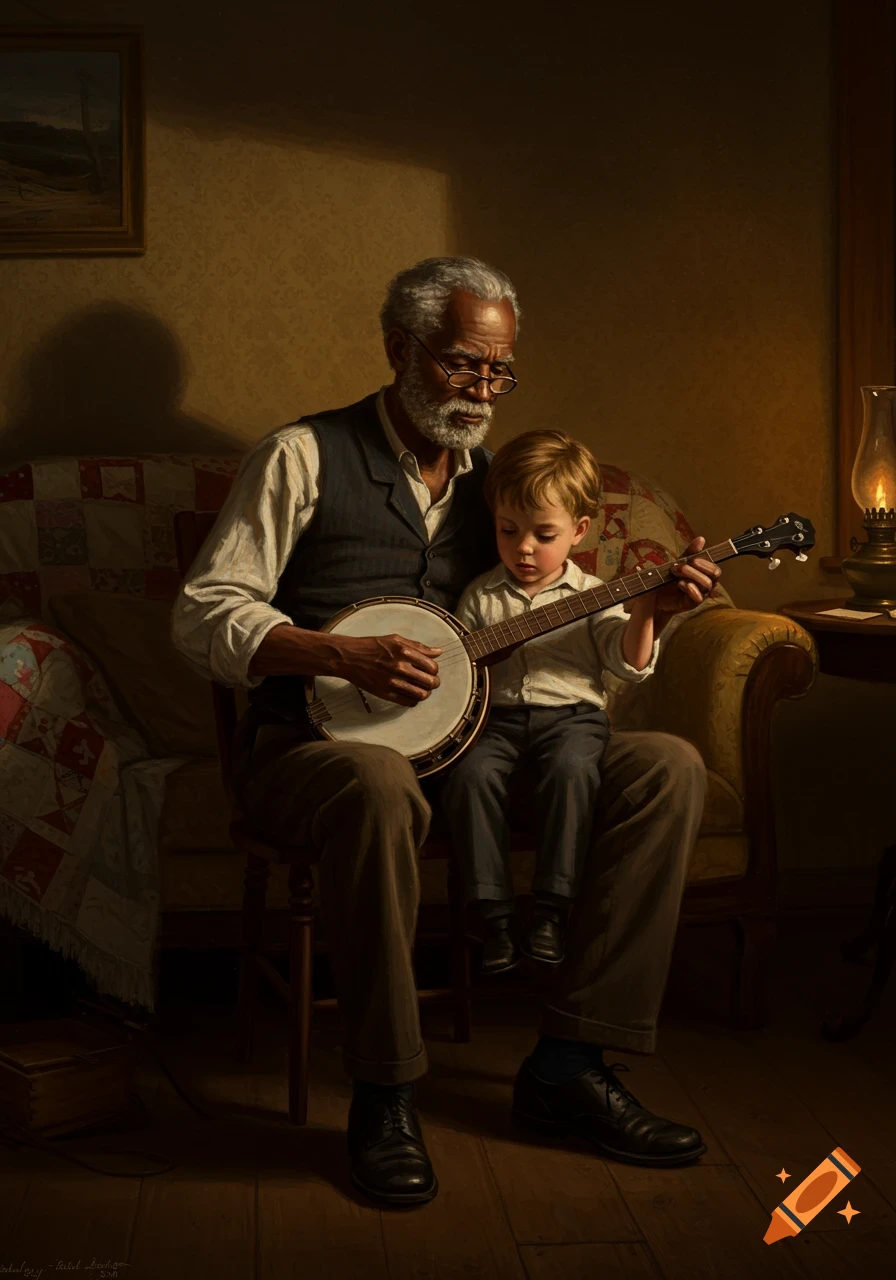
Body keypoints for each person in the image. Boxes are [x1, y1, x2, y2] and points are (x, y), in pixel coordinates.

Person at [172, 256, 722, 1209]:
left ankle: (571, 1063)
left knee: (667, 769)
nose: (483, 391)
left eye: (500, 372)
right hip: (317, 754)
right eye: (465, 365)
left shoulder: (499, 488)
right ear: (400, 349)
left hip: (478, 746)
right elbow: (202, 614)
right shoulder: (302, 457)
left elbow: (558, 587)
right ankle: (384, 1092)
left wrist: (656, 606)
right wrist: (339, 658)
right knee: (381, 783)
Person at [444, 429, 658, 975]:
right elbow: (460, 676)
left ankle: (551, 910)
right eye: (508, 531)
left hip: (573, 721)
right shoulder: (479, 596)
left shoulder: (594, 594)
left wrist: (650, 610)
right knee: (469, 776)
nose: (523, 548)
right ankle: (492, 915)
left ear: (579, 531)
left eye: (543, 534)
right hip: (495, 721)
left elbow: (627, 663)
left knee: (570, 769)